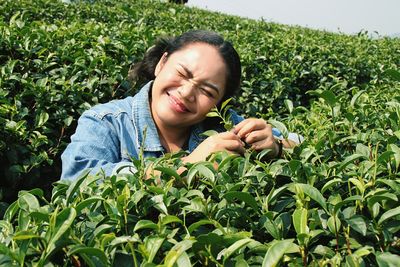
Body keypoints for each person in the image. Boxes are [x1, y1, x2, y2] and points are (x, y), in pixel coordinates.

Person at [61, 30, 302, 181]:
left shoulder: (223, 125)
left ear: (219, 103)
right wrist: (188, 166)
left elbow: (302, 145)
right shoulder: (106, 122)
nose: (187, 93)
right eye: (183, 73)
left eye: (207, 91)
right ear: (162, 63)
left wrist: (277, 146)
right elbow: (78, 181)